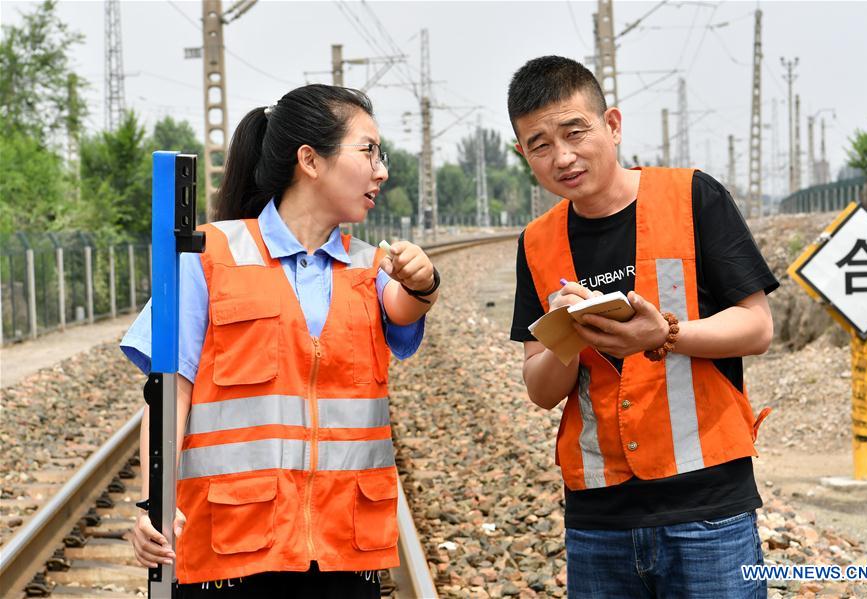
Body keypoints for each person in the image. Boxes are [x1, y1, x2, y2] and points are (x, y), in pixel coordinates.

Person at [121, 84, 440, 598]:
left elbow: (407, 305)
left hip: (342, 555)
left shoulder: (369, 266)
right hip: (233, 550)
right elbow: (168, 391)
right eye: (369, 151)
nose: (381, 171)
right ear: (310, 161)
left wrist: (424, 280)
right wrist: (152, 504)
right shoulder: (209, 256)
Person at [507, 56, 779, 598]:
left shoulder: (694, 196)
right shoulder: (536, 243)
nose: (562, 157)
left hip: (707, 509)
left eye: (574, 132)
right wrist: (568, 332)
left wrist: (665, 336)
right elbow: (540, 390)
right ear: (523, 154)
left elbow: (757, 327)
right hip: (598, 519)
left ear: (611, 124)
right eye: (539, 145)